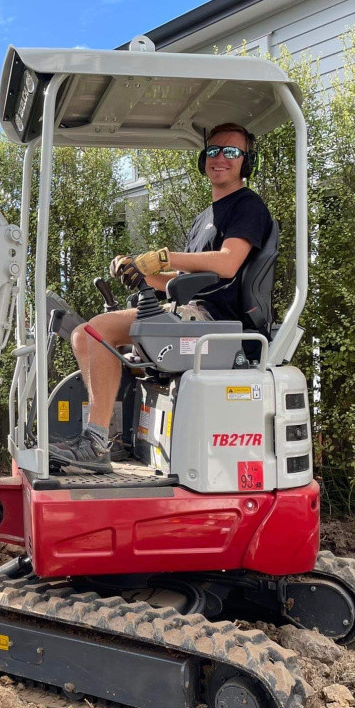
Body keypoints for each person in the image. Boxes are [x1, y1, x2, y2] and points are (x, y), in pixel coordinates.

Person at [48, 122, 274, 473]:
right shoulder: (205, 218)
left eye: (232, 152)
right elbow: (182, 279)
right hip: (191, 311)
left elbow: (228, 263)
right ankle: (109, 438)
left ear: (248, 162)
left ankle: (96, 443)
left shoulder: (248, 206)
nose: (220, 158)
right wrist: (141, 272)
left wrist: (166, 256)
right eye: (213, 151)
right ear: (203, 160)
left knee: (95, 333)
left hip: (217, 324)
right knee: (89, 335)